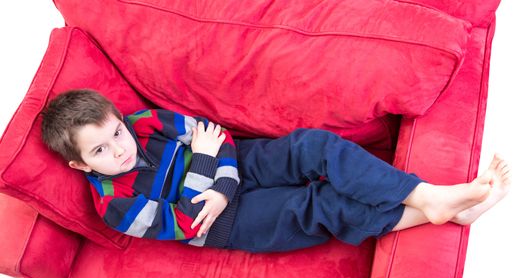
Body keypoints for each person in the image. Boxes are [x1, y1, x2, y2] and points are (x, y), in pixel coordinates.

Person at [40, 89, 511, 253]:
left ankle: (427, 196)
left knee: (315, 146)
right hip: (227, 224)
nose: (119, 150)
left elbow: (214, 135)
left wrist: (217, 179)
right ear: (81, 164)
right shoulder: (114, 206)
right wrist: (207, 167)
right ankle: (448, 211)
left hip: (237, 166)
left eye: (116, 134)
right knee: (316, 205)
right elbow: (187, 222)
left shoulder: (143, 123)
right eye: (101, 150)